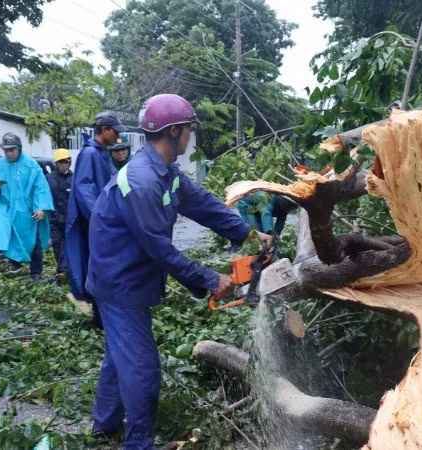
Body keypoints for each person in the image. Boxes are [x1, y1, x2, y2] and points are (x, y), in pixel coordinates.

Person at [86, 94, 273, 449]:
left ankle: (105, 422)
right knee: (142, 367)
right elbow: (160, 249)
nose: (189, 135)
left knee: (119, 354)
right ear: (174, 131)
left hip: (130, 275)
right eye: (188, 129)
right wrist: (211, 279)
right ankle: (139, 443)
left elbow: (202, 203)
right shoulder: (142, 182)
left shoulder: (166, 171)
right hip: (119, 283)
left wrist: (248, 233)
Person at [65, 112, 127, 322]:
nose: (118, 136)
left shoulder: (101, 153)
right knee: (98, 267)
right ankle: (101, 315)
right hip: (94, 223)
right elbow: (84, 188)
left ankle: (104, 312)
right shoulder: (90, 153)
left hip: (101, 220)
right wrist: (99, 218)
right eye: (115, 131)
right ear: (105, 130)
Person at [0, 132, 54, 282]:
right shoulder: (0, 164)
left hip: (28, 210)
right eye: (6, 150)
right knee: (3, 232)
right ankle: (15, 263)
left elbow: (40, 187)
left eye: (12, 150)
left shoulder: (31, 164)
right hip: (7, 207)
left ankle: (36, 273)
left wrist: (40, 207)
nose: (9, 153)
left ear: (19, 148)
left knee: (33, 240)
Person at [45, 148, 73, 283]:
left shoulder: (74, 179)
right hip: (54, 220)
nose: (63, 165)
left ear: (69, 163)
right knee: (57, 246)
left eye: (66, 162)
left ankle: (64, 272)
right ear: (56, 164)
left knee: (69, 247)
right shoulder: (49, 178)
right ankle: (62, 271)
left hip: (70, 221)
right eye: (61, 162)